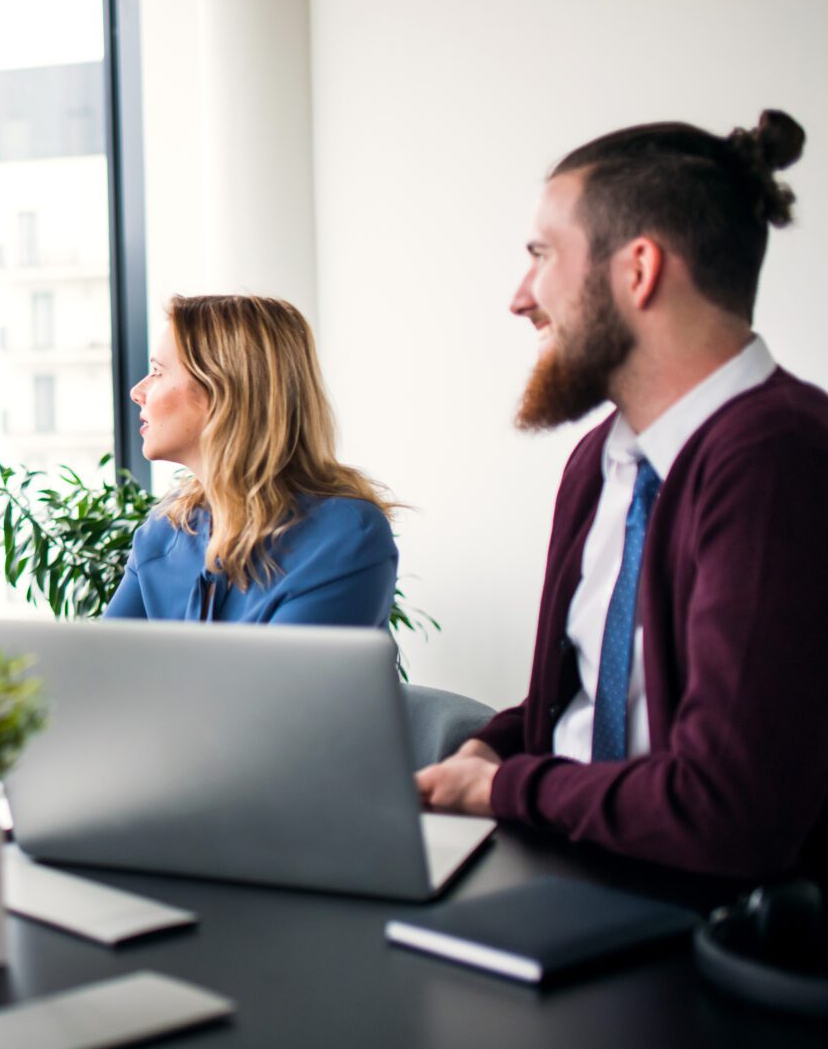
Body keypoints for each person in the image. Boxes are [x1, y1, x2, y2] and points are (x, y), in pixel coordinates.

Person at [415, 109, 828, 880]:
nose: (520, 297)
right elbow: (596, 718)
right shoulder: (600, 464)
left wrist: (505, 786)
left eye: (541, 255)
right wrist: (495, 747)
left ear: (638, 270)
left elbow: (726, 810)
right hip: (565, 876)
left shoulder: (778, 460)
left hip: (698, 928)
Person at [105, 294, 397, 625]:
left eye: (157, 372)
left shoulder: (343, 534)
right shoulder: (164, 531)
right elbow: (103, 667)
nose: (137, 391)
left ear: (221, 390)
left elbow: (288, 678)